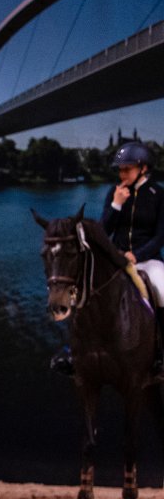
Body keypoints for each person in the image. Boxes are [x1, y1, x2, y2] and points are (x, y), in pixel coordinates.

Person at [52, 140, 164, 376]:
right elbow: (102, 231)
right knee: (82, 285)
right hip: (116, 257)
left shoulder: (158, 194)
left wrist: (138, 254)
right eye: (120, 169)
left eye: (127, 168)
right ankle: (73, 349)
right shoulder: (115, 193)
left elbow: (160, 236)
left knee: (162, 288)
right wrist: (116, 204)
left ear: (143, 168)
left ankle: (160, 354)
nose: (121, 173)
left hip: (148, 258)